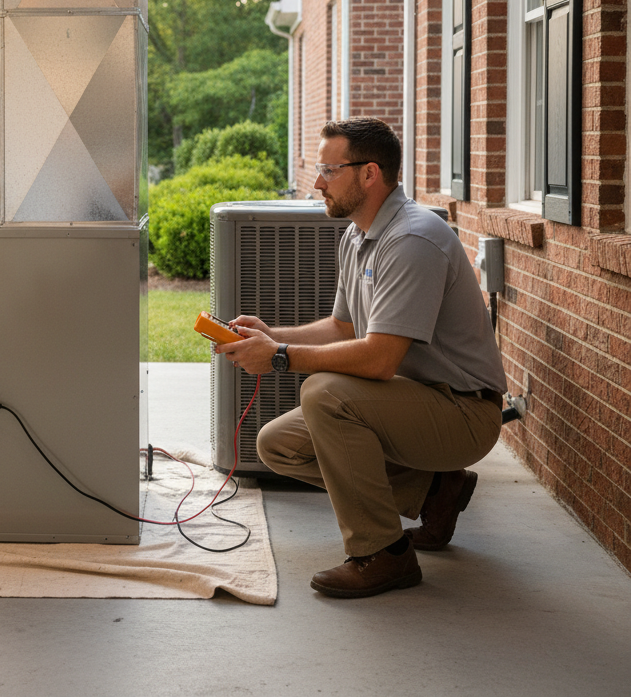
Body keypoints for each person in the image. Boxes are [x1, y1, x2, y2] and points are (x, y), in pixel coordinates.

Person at [215, 117, 506, 599]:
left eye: (329, 170)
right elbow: (344, 328)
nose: (316, 182)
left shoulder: (412, 240)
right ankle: (435, 492)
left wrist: (280, 357)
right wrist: (272, 334)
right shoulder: (359, 235)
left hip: (463, 411)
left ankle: (382, 554)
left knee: (326, 394)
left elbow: (379, 360)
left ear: (370, 174)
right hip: (412, 400)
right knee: (277, 444)